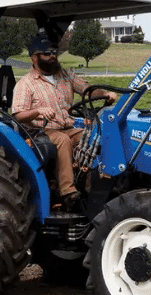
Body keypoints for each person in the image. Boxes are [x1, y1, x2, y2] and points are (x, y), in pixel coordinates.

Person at [12, 31, 117, 210]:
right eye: (47, 53)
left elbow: (87, 90)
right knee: (62, 140)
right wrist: (38, 111)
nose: (52, 57)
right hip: (40, 131)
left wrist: (104, 94)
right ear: (34, 58)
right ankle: (67, 191)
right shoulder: (26, 84)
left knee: (95, 136)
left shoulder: (65, 75)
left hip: (67, 126)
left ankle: (96, 182)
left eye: (54, 52)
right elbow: (18, 115)